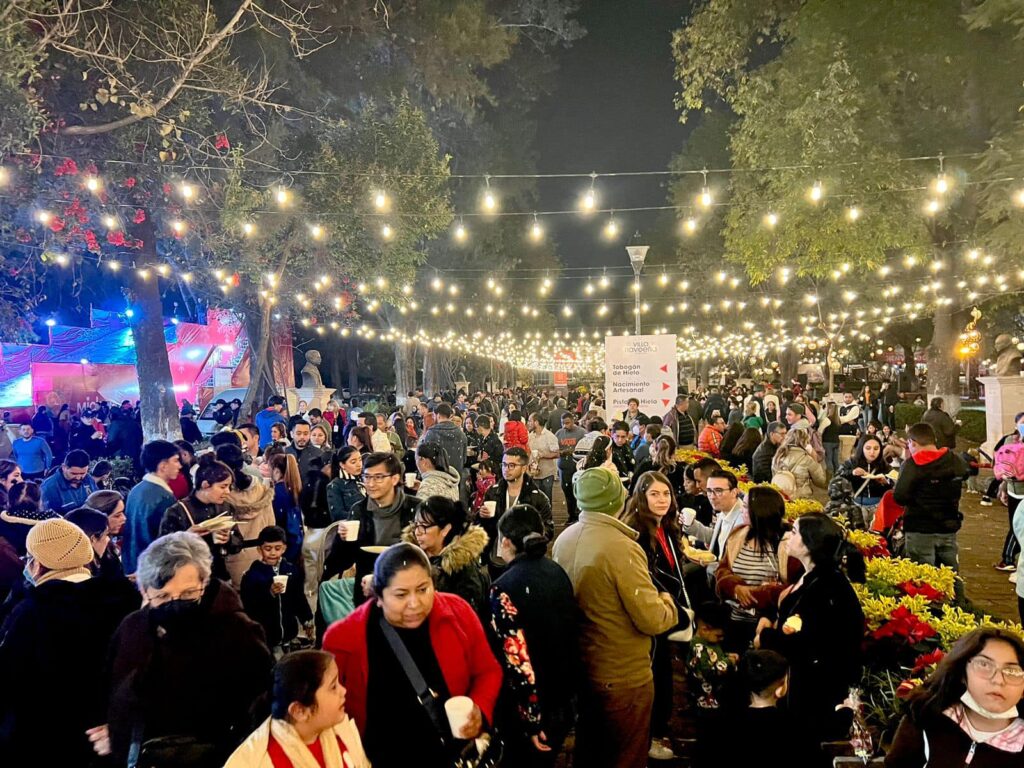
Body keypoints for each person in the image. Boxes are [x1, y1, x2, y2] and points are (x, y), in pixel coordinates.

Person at [94, 532, 273, 766]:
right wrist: (116, 729)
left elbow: (260, 706)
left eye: (189, 594)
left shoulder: (238, 631)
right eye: (163, 596)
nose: (175, 603)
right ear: (144, 592)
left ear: (204, 583)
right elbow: (112, 685)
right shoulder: (133, 627)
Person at [322, 542, 503, 766]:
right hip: (379, 757)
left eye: (422, 589)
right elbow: (327, 708)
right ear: (378, 596)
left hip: (449, 754)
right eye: (401, 595)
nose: (415, 603)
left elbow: (488, 670)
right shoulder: (344, 639)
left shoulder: (458, 613)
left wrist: (480, 709)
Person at [552, 467, 678, 768]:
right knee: (627, 755)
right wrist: (668, 601)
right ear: (616, 501)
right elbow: (652, 619)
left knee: (590, 748)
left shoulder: (565, 538)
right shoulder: (622, 547)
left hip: (584, 665)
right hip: (622, 673)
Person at [0, 518, 139, 764]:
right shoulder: (128, 599)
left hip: (49, 739)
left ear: (39, 564)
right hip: (112, 735)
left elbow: (12, 682)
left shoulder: (31, 614)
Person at [755, 513, 865, 762]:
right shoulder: (811, 576)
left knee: (804, 750)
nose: (787, 536)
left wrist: (766, 637)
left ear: (809, 544)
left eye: (794, 532)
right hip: (801, 683)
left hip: (816, 691)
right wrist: (769, 615)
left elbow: (808, 641)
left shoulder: (828, 587)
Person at [490, 504, 578, 766]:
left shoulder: (503, 588)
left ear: (505, 542)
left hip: (532, 709)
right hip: (563, 699)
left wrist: (531, 719)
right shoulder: (556, 571)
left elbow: (518, 661)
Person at [620, 470, 694, 761]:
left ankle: (655, 730)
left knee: (662, 671)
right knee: (654, 673)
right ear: (641, 496)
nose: (662, 500)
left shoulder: (667, 526)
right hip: (650, 614)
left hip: (668, 610)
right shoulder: (635, 532)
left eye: (666, 494)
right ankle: (648, 736)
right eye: (654, 494)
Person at [886, 628, 1024, 768]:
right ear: (962, 673)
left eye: (1012, 671)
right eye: (984, 664)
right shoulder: (925, 717)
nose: (998, 680)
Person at [225, 650, 370, 768]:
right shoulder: (259, 762)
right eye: (333, 687)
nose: (343, 691)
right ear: (299, 711)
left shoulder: (339, 727)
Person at [322, 452, 419, 606]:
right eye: (367, 477)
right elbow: (339, 563)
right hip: (368, 594)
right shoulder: (359, 511)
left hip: (408, 592)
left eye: (378, 477)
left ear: (394, 478)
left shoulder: (415, 509)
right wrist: (343, 540)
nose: (371, 484)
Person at [714, 485, 792, 650]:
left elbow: (794, 591)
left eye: (746, 506)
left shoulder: (788, 545)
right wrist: (736, 588)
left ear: (760, 511)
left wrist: (758, 594)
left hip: (768, 626)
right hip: (734, 620)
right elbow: (722, 570)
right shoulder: (739, 535)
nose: (742, 509)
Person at [894, 422, 968, 585]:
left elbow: (899, 496)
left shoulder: (912, 465)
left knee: (923, 579)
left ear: (913, 443)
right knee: (951, 575)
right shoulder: (953, 460)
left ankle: (932, 610)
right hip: (948, 527)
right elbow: (966, 472)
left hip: (920, 529)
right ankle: (957, 606)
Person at [404, 495, 490, 619]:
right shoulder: (412, 556)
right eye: (416, 525)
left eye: (424, 526)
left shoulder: (464, 570)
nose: (418, 532)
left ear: (445, 529)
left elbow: (465, 616)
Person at [159, 453, 237, 582]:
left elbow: (238, 543)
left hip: (220, 577)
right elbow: (163, 551)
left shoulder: (226, 508)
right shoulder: (177, 511)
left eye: (229, 487)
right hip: (188, 579)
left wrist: (228, 539)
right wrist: (186, 537)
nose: (228, 492)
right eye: (223, 486)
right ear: (205, 485)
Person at [481, 447, 554, 575]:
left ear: (524, 468)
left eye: (512, 465)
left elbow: (548, 530)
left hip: (524, 560)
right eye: (504, 464)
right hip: (496, 559)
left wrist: (528, 542)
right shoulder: (493, 492)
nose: (506, 469)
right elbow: (482, 527)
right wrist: (481, 516)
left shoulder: (537, 497)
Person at [241, 525, 314, 653]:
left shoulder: (291, 570)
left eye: (277, 548)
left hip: (289, 633)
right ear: (259, 549)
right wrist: (269, 593)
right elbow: (248, 605)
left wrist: (306, 619)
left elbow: (298, 598)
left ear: (284, 549)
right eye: (268, 549)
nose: (273, 553)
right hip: (265, 636)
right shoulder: (252, 575)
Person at [218, 443, 276, 587]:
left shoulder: (222, 496)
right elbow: (271, 522)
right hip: (261, 552)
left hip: (234, 556)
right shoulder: (260, 487)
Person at [122, 439, 181, 574]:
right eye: (176, 460)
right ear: (163, 465)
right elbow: (165, 540)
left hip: (132, 563)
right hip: (153, 569)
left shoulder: (136, 490)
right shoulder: (163, 497)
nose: (179, 465)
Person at [838, 435, 892, 512]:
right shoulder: (852, 462)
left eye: (876, 448)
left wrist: (886, 482)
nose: (872, 452)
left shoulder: (884, 465)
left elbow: (896, 481)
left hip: (879, 506)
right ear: (861, 448)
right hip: (856, 506)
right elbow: (839, 474)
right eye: (868, 448)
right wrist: (852, 472)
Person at [771, 428, 827, 499]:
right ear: (805, 442)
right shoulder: (807, 459)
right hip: (801, 499)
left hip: (781, 497)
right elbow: (821, 481)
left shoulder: (777, 457)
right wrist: (815, 459)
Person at [269, 453, 305, 563]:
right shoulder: (295, 490)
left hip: (283, 544)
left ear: (276, 471)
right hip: (297, 541)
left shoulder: (276, 493)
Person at [556, 412, 587, 523]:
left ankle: (581, 515)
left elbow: (587, 449)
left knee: (579, 492)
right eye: (563, 423)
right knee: (567, 492)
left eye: (567, 423)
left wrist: (574, 451)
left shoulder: (582, 432)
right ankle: (571, 516)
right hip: (563, 468)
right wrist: (561, 452)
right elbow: (554, 450)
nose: (565, 426)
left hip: (577, 468)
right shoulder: (559, 433)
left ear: (573, 421)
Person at [421, 403, 469, 476]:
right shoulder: (461, 434)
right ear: (450, 416)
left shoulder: (431, 433)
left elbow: (425, 458)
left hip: (437, 477)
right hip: (455, 477)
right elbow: (464, 459)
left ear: (438, 415)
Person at [326, 446, 365, 522]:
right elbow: (337, 514)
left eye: (360, 460)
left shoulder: (365, 479)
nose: (359, 465)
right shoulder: (335, 485)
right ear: (342, 465)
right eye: (353, 462)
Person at [527, 411, 560, 502]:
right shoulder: (530, 436)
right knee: (535, 499)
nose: (528, 423)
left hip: (547, 473)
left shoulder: (549, 436)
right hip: (534, 474)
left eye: (530, 421)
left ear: (536, 422)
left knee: (546, 499)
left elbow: (557, 453)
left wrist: (543, 455)